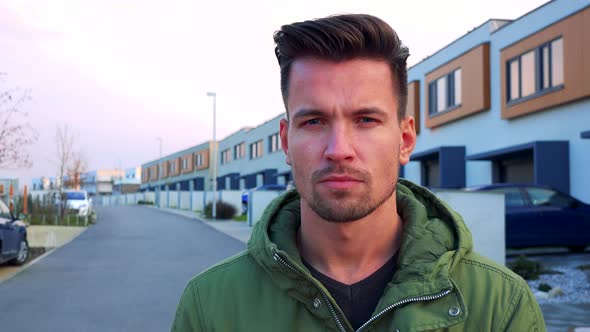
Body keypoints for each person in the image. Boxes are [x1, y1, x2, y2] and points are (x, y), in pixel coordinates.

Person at [172, 14, 545, 331]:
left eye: (365, 120)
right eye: (314, 121)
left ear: (405, 139)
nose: (339, 150)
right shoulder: (211, 305)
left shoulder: (499, 305)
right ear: (285, 141)